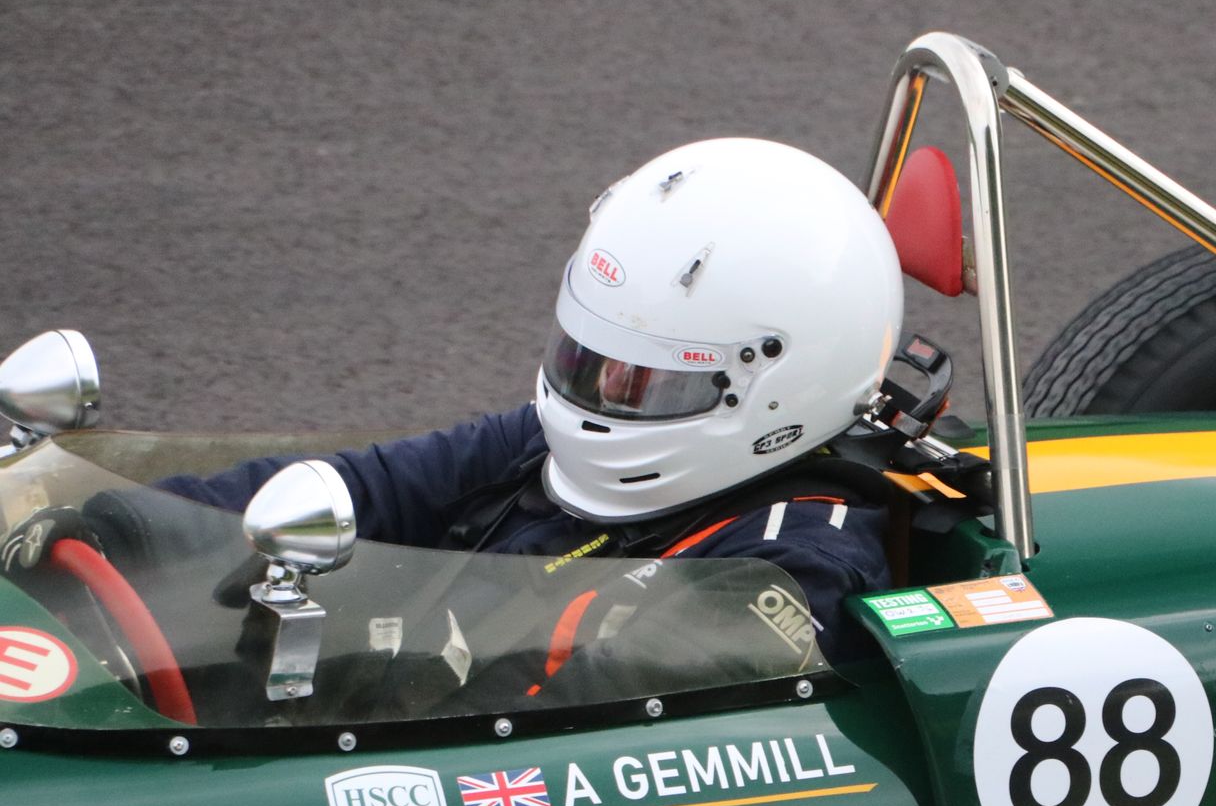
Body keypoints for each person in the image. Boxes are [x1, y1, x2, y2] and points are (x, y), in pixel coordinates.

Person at [135, 137, 907, 670]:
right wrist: (127, 522)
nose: (601, 399)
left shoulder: (791, 565)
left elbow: (577, 709)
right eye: (589, 361)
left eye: (650, 384)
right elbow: (370, 484)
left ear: (776, 390)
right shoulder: (548, 443)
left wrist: (352, 675)